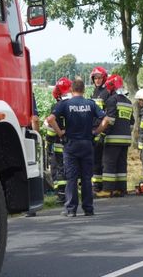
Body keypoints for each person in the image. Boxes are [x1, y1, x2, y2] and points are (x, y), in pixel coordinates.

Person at [47, 79, 107, 217]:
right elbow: (106, 119)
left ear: (71, 90)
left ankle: (71, 209)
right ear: (83, 90)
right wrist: (96, 132)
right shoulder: (90, 104)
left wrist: (60, 133)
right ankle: (88, 208)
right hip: (87, 144)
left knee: (72, 178)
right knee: (86, 178)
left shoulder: (65, 104)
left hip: (71, 145)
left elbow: (50, 119)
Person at [97, 74, 134, 197]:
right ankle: (120, 189)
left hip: (113, 139)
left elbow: (110, 120)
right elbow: (132, 122)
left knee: (109, 163)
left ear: (111, 87)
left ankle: (107, 190)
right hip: (126, 139)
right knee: (121, 164)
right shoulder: (128, 102)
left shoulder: (112, 100)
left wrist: (102, 134)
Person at [44, 78, 72, 204]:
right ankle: (72, 193)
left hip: (59, 144)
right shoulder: (76, 104)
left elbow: (51, 130)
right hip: (74, 143)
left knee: (59, 169)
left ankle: (61, 196)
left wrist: (48, 142)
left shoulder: (57, 106)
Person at [89, 66, 110, 194]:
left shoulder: (106, 93)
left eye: (99, 78)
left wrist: (102, 131)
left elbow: (107, 114)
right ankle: (96, 184)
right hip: (93, 130)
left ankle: (98, 186)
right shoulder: (94, 92)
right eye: (95, 78)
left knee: (99, 159)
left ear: (104, 78)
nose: (97, 80)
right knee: (94, 159)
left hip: (101, 130)